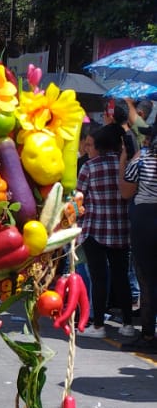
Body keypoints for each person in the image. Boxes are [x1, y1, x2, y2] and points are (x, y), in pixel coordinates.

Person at [77, 122, 135, 340]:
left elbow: (78, 200)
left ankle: (99, 325)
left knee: (99, 278)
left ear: (99, 146)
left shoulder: (89, 167)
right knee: (121, 277)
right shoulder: (126, 166)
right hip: (121, 230)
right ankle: (128, 324)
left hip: (95, 230)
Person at [120, 126, 157, 351]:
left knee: (147, 281)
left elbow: (126, 192)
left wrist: (125, 158)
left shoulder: (142, 160)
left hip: (146, 221)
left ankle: (148, 336)